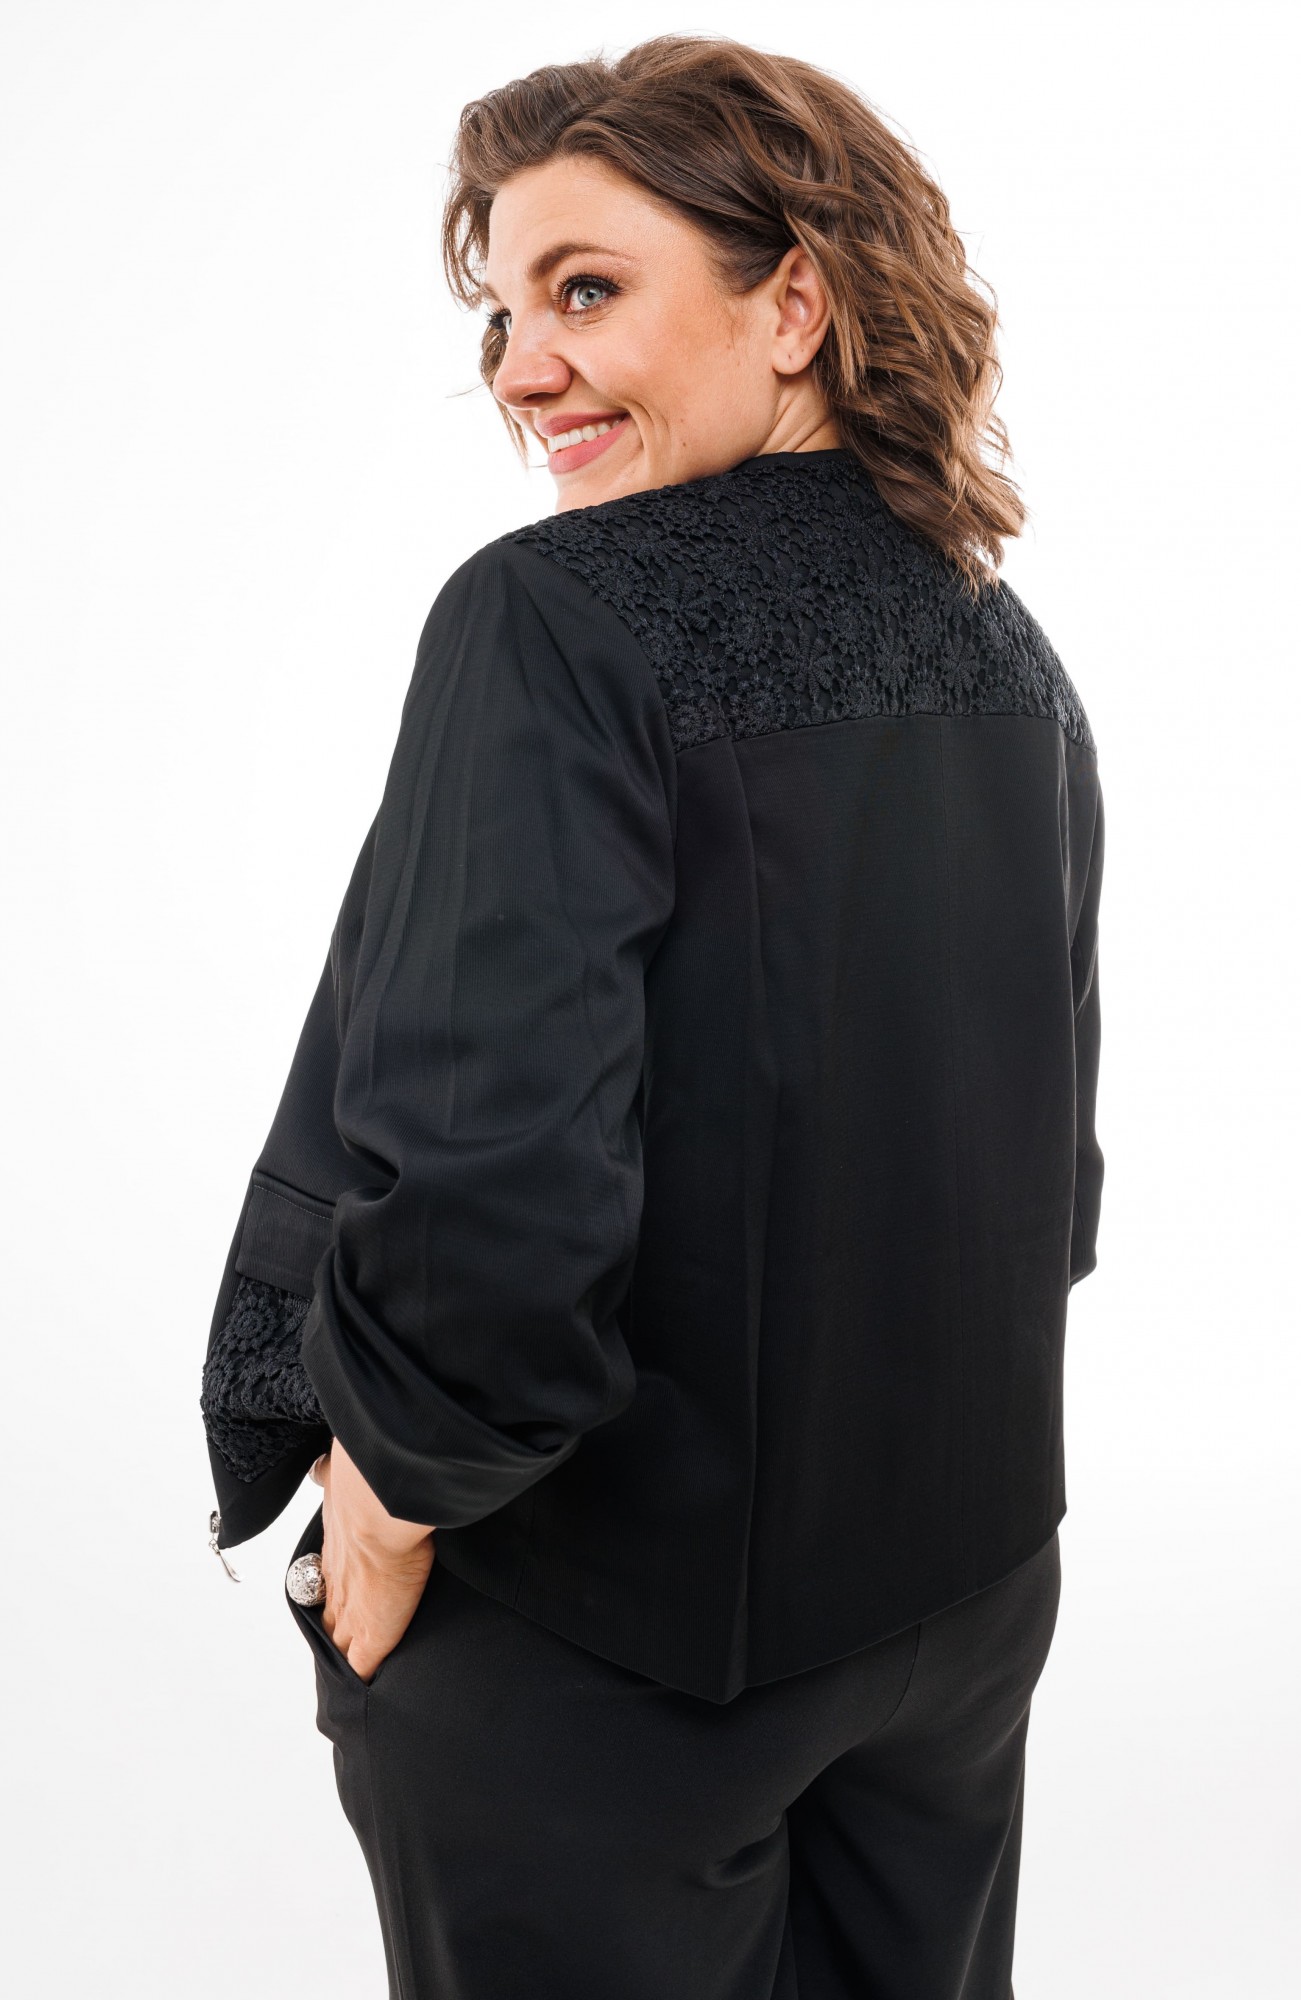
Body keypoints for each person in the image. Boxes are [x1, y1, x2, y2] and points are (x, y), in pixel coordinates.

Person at [199, 33, 1104, 2000]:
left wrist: (389, 1494)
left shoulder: (553, 616)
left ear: (793, 304)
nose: (520, 366)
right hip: (954, 1609)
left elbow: (496, 1190)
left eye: (586, 289)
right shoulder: (999, 643)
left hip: (602, 1654)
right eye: (502, 311)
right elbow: (1051, 1176)